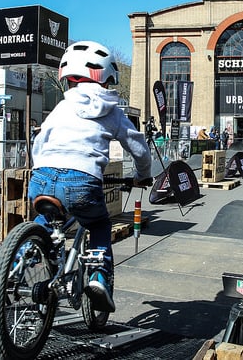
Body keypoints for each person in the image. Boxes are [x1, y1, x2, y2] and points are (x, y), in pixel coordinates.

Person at [28, 41, 152, 313]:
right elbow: (138, 146)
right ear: (107, 79)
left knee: (47, 218)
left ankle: (21, 255)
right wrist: (144, 174)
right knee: (98, 225)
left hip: (41, 177)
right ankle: (98, 277)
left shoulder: (60, 108)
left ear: (68, 79)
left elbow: (40, 141)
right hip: (81, 181)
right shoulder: (112, 112)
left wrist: (43, 166)